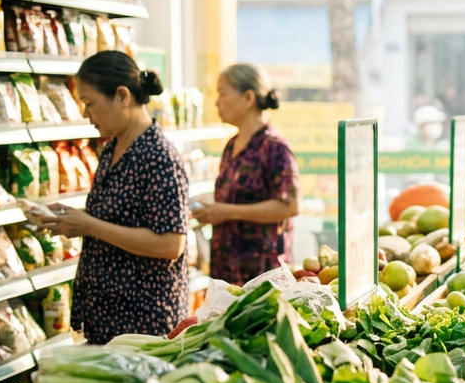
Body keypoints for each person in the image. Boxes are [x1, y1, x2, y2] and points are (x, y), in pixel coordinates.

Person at [40, 52, 189, 345]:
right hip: (107, 321)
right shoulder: (112, 149)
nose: (86, 113)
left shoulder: (158, 157)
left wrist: (89, 226)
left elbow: (172, 244)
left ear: (122, 96)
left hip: (143, 325)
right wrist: (73, 219)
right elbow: (115, 218)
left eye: (90, 103)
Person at [195, 64, 300, 285]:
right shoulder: (232, 145)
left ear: (248, 98)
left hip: (261, 276)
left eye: (222, 93)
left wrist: (227, 212)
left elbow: (290, 205)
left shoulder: (274, 148)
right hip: (227, 271)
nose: (217, 102)